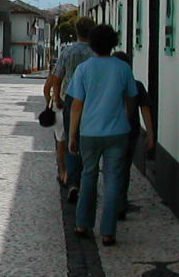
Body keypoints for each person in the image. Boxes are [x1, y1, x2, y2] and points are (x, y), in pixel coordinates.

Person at [66, 24, 137, 246]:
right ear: (114, 42)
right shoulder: (123, 68)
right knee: (113, 179)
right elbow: (131, 98)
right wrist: (125, 118)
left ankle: (82, 224)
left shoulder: (84, 69)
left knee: (88, 176)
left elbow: (77, 105)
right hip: (118, 131)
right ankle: (108, 231)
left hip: (90, 132)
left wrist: (72, 135)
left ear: (92, 44)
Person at [43, 17, 96, 203]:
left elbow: (56, 79)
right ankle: (87, 179)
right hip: (92, 102)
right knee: (89, 142)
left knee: (70, 139)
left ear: (76, 30)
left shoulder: (68, 51)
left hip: (70, 100)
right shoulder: (96, 53)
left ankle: (72, 181)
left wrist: (56, 98)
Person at [112, 51, 155, 218]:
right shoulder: (137, 85)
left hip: (110, 132)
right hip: (130, 133)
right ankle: (120, 203)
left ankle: (114, 202)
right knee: (124, 168)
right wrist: (150, 134)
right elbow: (145, 111)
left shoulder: (109, 86)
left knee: (113, 169)